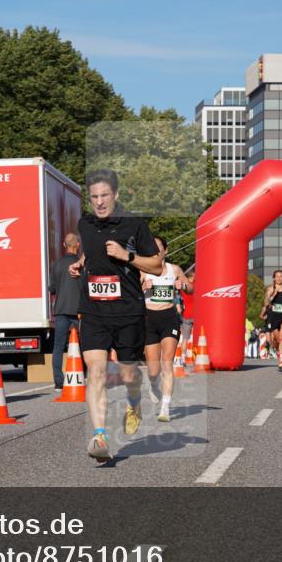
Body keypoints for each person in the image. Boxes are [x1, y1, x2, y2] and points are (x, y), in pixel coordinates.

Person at [69, 169, 162, 463]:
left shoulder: (134, 225)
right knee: (95, 372)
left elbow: (157, 267)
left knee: (128, 374)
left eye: (104, 196)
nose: (99, 202)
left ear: (116, 195)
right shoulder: (85, 224)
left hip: (128, 311)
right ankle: (100, 436)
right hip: (94, 311)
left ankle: (134, 401)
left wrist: (127, 256)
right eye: (94, 197)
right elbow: (91, 251)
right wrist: (80, 264)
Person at [142, 235, 190, 422]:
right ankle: (153, 384)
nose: (154, 251)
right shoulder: (143, 271)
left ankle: (165, 408)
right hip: (149, 320)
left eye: (157, 248)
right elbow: (131, 294)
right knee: (153, 370)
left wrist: (183, 285)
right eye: (150, 248)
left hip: (169, 318)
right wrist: (142, 286)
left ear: (165, 251)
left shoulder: (174, 269)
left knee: (167, 362)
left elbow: (191, 287)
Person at [50, 233, 82, 392]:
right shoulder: (81, 264)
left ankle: (58, 381)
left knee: (58, 346)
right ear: (78, 245)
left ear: (64, 245)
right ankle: (82, 376)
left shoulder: (57, 264)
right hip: (80, 310)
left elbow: (53, 289)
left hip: (61, 309)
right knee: (85, 344)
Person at [260, 270, 282, 372]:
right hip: (273, 316)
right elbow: (266, 302)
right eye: (277, 277)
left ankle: (281, 360)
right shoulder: (270, 288)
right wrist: (273, 294)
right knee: (277, 340)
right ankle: (279, 353)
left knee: (281, 337)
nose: (279, 278)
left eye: (281, 276)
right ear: (273, 278)